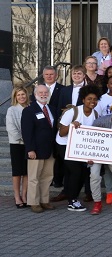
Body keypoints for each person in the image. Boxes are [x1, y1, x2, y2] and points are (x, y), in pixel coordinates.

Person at [56, 85, 100, 212]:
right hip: (64, 144)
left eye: (95, 99)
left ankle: (71, 197)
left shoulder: (96, 114)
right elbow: (61, 133)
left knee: (81, 171)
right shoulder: (73, 112)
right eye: (89, 99)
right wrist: (71, 126)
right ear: (83, 100)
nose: (92, 102)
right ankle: (72, 201)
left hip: (80, 146)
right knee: (76, 171)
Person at [21, 85, 58, 213]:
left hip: (49, 150)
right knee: (34, 178)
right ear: (35, 94)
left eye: (45, 92)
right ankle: (34, 202)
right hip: (35, 150)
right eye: (41, 92)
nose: (43, 94)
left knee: (47, 177)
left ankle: (44, 200)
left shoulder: (52, 109)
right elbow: (26, 132)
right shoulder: (29, 110)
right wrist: (30, 149)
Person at [6, 86, 30, 208]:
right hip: (17, 144)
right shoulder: (11, 110)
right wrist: (25, 138)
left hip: (29, 145)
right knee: (17, 172)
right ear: (15, 97)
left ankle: (24, 195)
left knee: (26, 172)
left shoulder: (30, 108)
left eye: (23, 94)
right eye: (18, 95)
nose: (21, 97)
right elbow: (11, 128)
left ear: (27, 95)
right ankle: (17, 196)